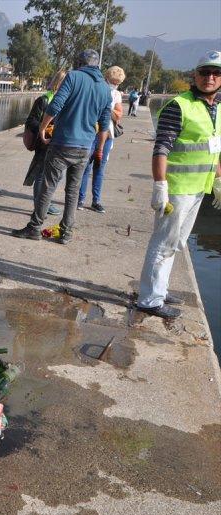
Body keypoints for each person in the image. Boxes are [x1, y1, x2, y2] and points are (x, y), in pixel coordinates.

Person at [136, 51, 221, 319]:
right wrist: (160, 186)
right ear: (194, 76)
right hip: (176, 188)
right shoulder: (179, 106)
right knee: (163, 242)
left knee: (177, 242)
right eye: (204, 72)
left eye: (216, 73)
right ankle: (149, 299)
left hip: (199, 188)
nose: (210, 77)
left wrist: (217, 180)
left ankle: (160, 289)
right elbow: (161, 149)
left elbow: (215, 149)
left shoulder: (216, 108)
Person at [11, 49, 112, 244]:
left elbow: (56, 105)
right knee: (73, 191)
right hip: (85, 147)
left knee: (47, 187)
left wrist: (42, 128)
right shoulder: (105, 88)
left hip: (63, 143)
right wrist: (98, 149)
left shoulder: (73, 77)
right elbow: (105, 124)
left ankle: (34, 227)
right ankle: (66, 232)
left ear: (80, 62)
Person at [78, 65, 126, 213]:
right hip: (91, 133)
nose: (115, 84)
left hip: (108, 136)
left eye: (118, 83)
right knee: (85, 167)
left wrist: (107, 108)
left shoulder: (116, 94)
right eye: (113, 81)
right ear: (106, 78)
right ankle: (80, 199)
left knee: (100, 168)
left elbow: (119, 115)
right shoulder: (96, 88)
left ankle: (96, 201)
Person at [23, 70, 67, 216]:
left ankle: (46, 202)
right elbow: (31, 121)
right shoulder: (44, 100)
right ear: (58, 83)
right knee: (41, 175)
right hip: (44, 143)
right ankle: (39, 205)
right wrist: (47, 130)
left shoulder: (68, 101)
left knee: (56, 176)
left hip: (60, 144)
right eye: (64, 82)